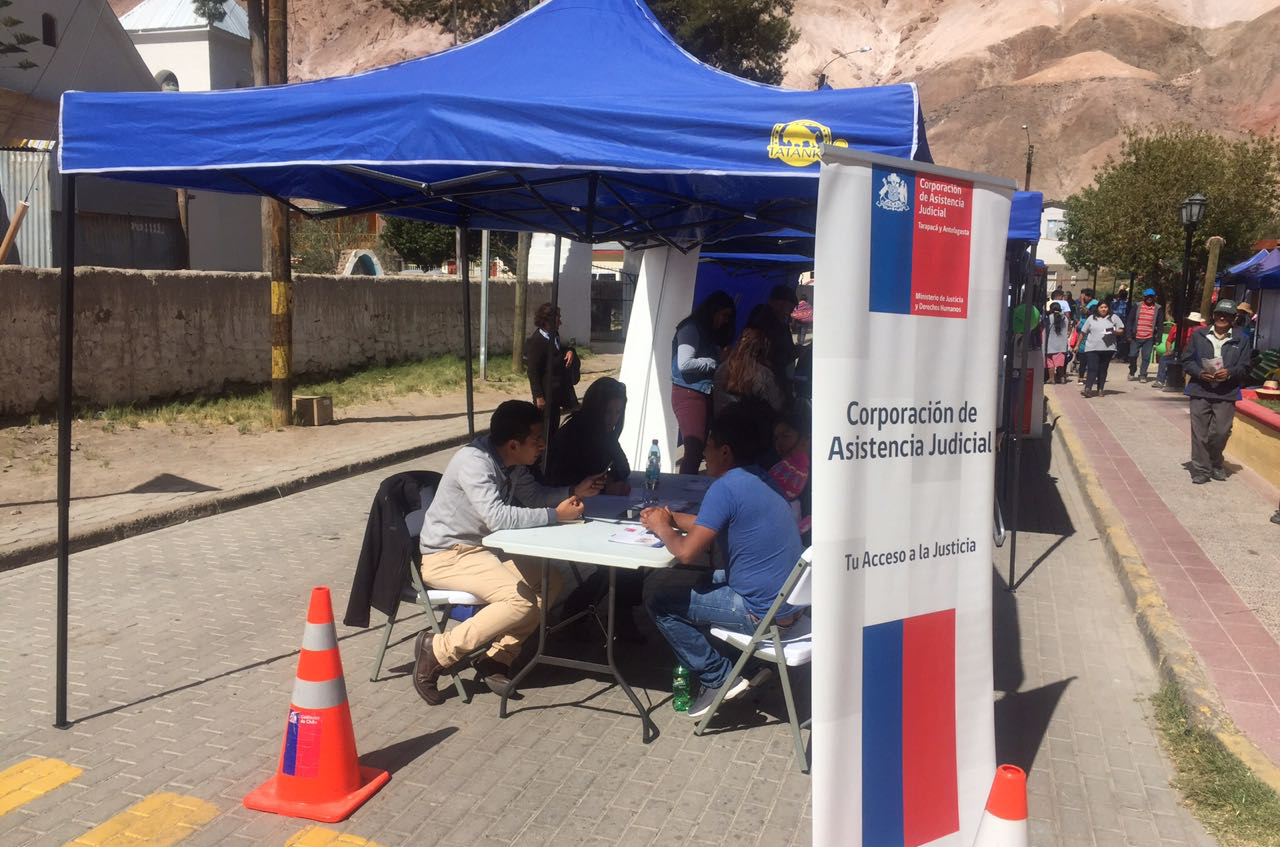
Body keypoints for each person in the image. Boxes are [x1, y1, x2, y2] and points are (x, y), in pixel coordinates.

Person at [413, 400, 606, 704]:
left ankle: (498, 657)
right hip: (447, 555)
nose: (543, 445)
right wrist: (556, 515)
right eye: (537, 439)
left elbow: (534, 496)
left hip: (482, 549)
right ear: (514, 445)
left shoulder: (511, 462)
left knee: (550, 582)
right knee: (520, 601)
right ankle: (438, 649)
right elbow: (499, 518)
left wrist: (574, 492)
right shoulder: (475, 462)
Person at [641, 406, 803, 718]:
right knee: (703, 582)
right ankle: (745, 663)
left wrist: (662, 528)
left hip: (763, 614)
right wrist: (670, 517)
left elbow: (687, 553)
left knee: (661, 603)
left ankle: (719, 676)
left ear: (725, 451)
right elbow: (708, 524)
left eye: (709, 446)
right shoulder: (759, 478)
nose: (704, 453)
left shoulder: (725, 487)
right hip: (792, 605)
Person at [1181, 299, 1253, 484]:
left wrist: (1229, 373)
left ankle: (1215, 461)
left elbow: (1245, 366)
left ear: (1233, 318)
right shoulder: (1199, 335)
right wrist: (1199, 372)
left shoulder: (1242, 339)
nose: (1222, 317)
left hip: (1226, 392)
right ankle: (1202, 469)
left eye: (1227, 315)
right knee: (1199, 433)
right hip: (1200, 389)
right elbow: (1186, 360)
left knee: (1221, 432)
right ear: (1213, 315)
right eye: (1219, 313)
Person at [671, 290, 736, 474]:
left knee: (700, 449)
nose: (725, 320)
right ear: (713, 311)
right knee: (694, 450)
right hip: (689, 393)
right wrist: (715, 360)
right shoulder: (691, 328)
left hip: (700, 393)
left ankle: (689, 491)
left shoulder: (704, 331)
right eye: (724, 315)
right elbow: (684, 363)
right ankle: (682, 497)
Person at [546, 377, 631, 494]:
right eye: (608, 412)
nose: (613, 419)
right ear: (596, 409)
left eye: (618, 412)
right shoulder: (572, 433)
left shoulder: (606, 432)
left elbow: (623, 467)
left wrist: (607, 480)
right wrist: (604, 488)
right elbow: (561, 479)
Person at [525, 303, 580, 437]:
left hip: (557, 392)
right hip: (546, 395)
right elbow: (532, 371)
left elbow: (559, 351)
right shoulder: (537, 341)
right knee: (546, 431)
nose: (560, 322)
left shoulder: (554, 335)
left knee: (555, 428)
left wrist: (570, 351)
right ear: (547, 320)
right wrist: (538, 396)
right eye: (557, 318)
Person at [712, 326, 785, 416]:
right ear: (763, 349)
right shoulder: (764, 373)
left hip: (723, 424)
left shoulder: (722, 368)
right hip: (752, 426)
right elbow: (777, 405)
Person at [768, 406, 812, 546]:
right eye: (776, 438)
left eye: (786, 436)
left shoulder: (821, 475)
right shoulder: (776, 471)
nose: (779, 443)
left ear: (806, 439)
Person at [1078, 300, 1124, 397]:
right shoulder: (1091, 318)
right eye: (1101, 307)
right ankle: (1088, 388)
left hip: (1108, 348)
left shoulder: (1114, 317)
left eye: (1105, 307)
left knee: (1103, 369)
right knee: (1092, 368)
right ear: (1098, 308)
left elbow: (1121, 330)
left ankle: (1100, 388)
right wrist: (1077, 345)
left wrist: (1114, 331)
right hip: (1092, 348)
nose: (1103, 309)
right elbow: (1083, 332)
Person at [1153, 312, 1202, 389]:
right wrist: (1168, 350)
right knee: (1163, 359)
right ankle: (1160, 380)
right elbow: (1169, 340)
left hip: (1194, 352)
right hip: (1179, 350)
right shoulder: (1177, 327)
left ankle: (1185, 383)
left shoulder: (1201, 328)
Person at [1125, 288, 1163, 382]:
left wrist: (1159, 337)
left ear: (1154, 298)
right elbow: (1130, 320)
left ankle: (1143, 375)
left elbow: (1160, 324)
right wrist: (1128, 334)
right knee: (1132, 355)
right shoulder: (1137, 306)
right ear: (1144, 297)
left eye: (1151, 297)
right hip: (1136, 336)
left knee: (1146, 357)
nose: (1149, 298)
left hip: (1149, 337)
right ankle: (1132, 370)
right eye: (1148, 296)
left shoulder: (1158, 308)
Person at [1043, 301, 1071, 384]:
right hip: (1062, 345)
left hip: (1050, 344)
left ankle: (1052, 379)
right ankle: (1062, 378)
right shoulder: (1065, 318)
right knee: (1060, 363)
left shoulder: (1049, 318)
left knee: (1050, 363)